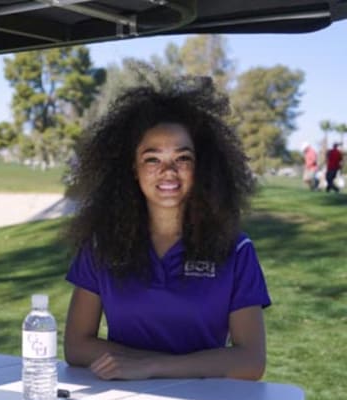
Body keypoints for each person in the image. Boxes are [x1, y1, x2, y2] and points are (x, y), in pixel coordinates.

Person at [63, 79, 271, 382]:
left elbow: (251, 360)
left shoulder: (235, 249)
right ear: (133, 168)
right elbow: (76, 345)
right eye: (152, 159)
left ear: (201, 166)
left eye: (182, 158)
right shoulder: (101, 245)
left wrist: (151, 368)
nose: (168, 171)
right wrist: (151, 367)